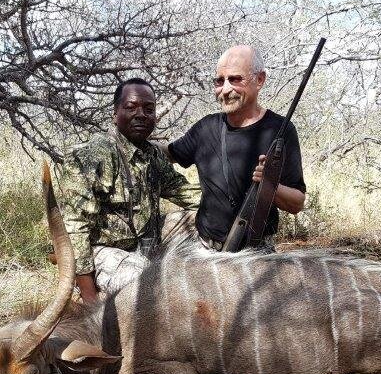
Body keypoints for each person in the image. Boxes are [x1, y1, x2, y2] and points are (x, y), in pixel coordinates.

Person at [55, 78, 200, 303]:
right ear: (115, 114)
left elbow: (188, 194)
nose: (141, 114)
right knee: (153, 284)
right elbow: (75, 229)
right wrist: (90, 299)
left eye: (148, 109)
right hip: (102, 250)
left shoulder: (152, 155)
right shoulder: (93, 155)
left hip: (145, 244)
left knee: (206, 219)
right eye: (131, 107)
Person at [161, 45, 306, 251]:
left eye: (235, 79)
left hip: (256, 254)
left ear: (260, 80)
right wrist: (131, 141)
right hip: (205, 250)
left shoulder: (281, 131)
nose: (226, 89)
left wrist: (270, 185)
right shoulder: (206, 128)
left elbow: (297, 203)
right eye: (219, 81)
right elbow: (170, 153)